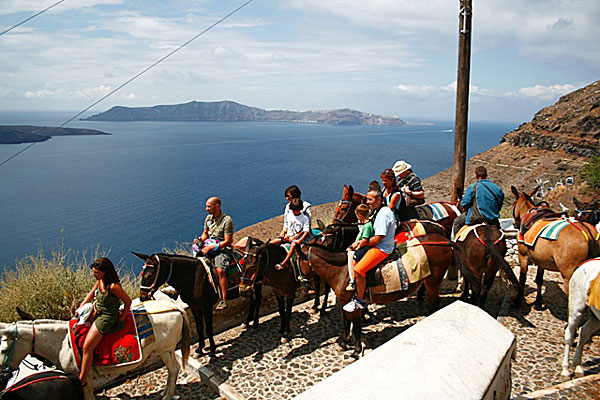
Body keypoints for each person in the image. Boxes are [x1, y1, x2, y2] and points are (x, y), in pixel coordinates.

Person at [78, 257, 132, 386]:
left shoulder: (113, 287)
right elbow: (92, 293)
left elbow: (128, 301)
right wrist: (81, 306)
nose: (94, 275)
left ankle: (82, 380)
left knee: (87, 347)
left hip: (106, 317)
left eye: (97, 272)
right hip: (97, 311)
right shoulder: (100, 281)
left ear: (105, 272)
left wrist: (123, 316)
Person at [343, 189, 396, 312]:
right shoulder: (377, 211)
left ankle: (360, 300)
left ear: (379, 200)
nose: (368, 202)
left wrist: (360, 244)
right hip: (375, 244)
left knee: (359, 270)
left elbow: (377, 239)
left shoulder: (384, 214)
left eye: (370, 199)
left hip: (382, 248)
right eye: (367, 199)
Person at [194, 196, 234, 310]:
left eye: (209, 206)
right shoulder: (208, 218)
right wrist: (200, 240)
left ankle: (223, 299)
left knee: (220, 270)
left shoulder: (227, 221)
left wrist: (213, 247)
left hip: (222, 249)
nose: (206, 209)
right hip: (208, 246)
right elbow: (205, 233)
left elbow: (228, 241)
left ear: (217, 206)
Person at [452, 166, 505, 237]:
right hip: (493, 219)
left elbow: (464, 203)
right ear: (486, 175)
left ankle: (456, 245)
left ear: (475, 176)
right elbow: (500, 203)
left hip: (475, 218)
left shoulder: (473, 187)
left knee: (457, 222)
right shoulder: (497, 188)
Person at [273, 197, 311, 270]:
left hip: (297, 239)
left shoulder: (304, 218)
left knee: (293, 245)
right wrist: (284, 233)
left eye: (295, 210)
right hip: (288, 236)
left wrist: (299, 239)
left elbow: (305, 231)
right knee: (273, 242)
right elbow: (288, 227)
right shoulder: (290, 215)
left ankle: (284, 262)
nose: (293, 212)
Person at [345, 204, 374, 291]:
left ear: (360, 216)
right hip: (363, 246)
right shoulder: (367, 224)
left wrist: (357, 247)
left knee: (354, 260)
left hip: (365, 248)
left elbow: (364, 240)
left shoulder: (366, 227)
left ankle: (353, 280)